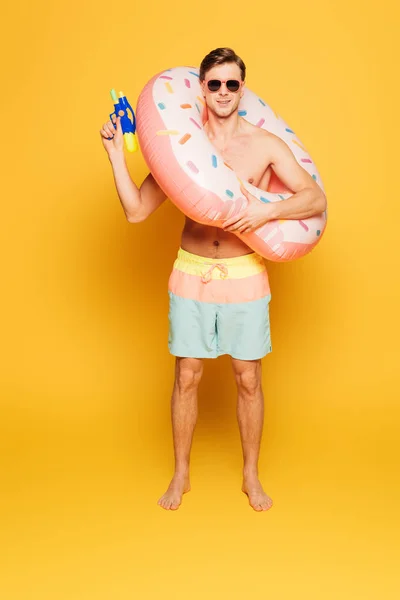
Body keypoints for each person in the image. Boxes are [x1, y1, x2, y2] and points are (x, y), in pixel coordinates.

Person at [100, 48, 326, 512]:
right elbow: (137, 211)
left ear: (243, 89)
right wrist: (114, 156)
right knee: (186, 377)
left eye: (232, 84)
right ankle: (181, 475)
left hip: (245, 274)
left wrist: (268, 209)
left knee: (248, 379)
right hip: (192, 271)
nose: (223, 92)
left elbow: (315, 199)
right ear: (201, 88)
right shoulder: (184, 146)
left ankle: (250, 476)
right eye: (214, 84)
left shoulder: (264, 145)